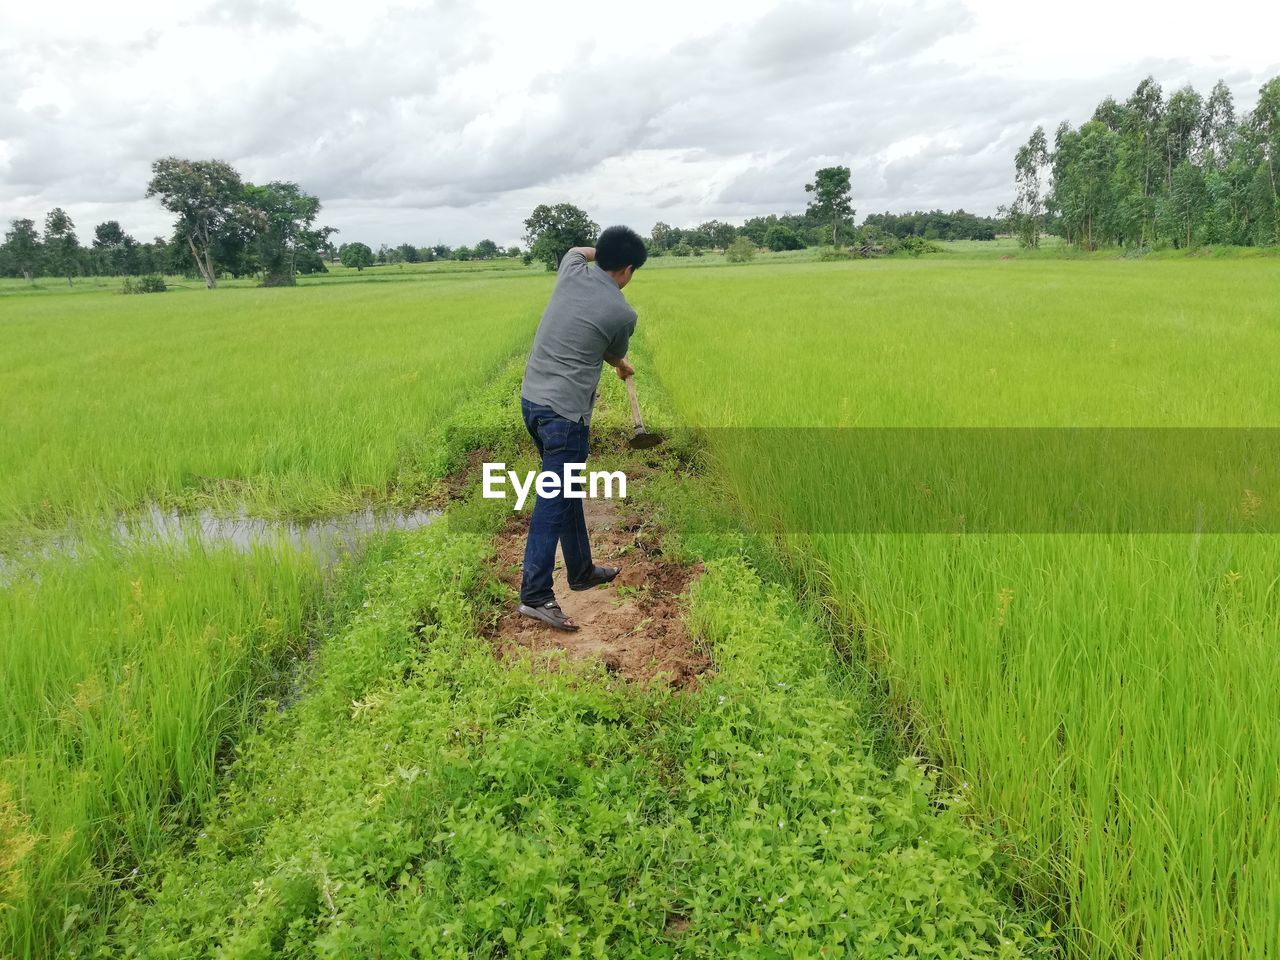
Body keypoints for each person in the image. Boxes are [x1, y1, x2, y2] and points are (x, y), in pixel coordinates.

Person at [517, 225, 648, 631]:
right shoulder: (623, 313)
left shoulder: (572, 268)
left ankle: (581, 570)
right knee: (553, 500)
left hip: (532, 403)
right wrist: (619, 363)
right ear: (627, 270)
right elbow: (612, 343)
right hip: (565, 416)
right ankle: (536, 595)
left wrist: (603, 249)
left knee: (566, 489)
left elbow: (577, 248)